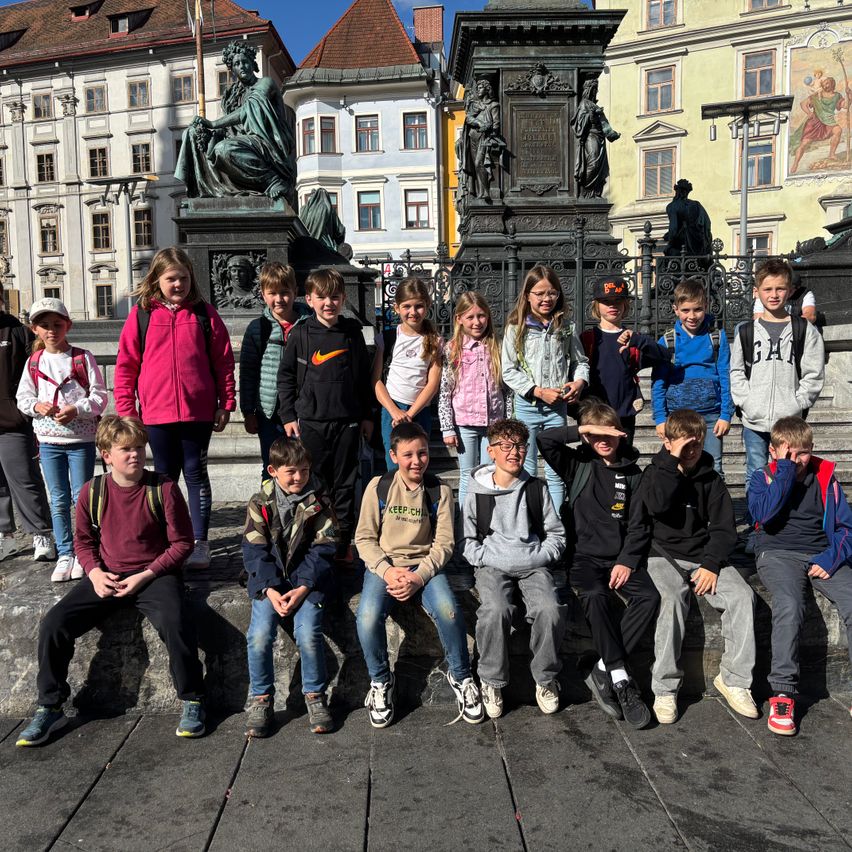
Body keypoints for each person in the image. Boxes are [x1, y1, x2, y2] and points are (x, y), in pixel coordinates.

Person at [15, 416, 206, 746]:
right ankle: (50, 705)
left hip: (153, 576)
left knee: (175, 623)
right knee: (54, 624)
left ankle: (193, 699)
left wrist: (147, 575)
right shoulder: (94, 491)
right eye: (126, 449)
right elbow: (83, 541)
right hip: (107, 575)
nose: (135, 454)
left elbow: (183, 544)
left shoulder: (163, 488)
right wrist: (95, 573)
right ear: (106, 454)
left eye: (139, 448)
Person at [114, 247, 236, 569]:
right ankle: (167, 540)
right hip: (157, 414)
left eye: (183, 278)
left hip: (198, 412)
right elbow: (126, 365)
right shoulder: (141, 315)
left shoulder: (204, 314)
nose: (178, 284)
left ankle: (199, 542)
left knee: (196, 473)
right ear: (157, 279)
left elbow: (223, 361)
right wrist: (127, 409)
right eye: (171, 279)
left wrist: (226, 402)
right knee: (164, 477)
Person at [355, 422, 483, 728]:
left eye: (422, 453)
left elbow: (444, 544)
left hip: (425, 567)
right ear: (393, 455)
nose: (417, 461)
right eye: (408, 454)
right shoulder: (378, 487)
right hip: (385, 566)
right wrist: (387, 571)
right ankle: (381, 682)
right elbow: (364, 539)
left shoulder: (439, 490)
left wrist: (419, 576)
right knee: (367, 616)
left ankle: (461, 676)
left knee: (449, 612)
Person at [538, 401, 657, 729]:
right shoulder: (578, 464)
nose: (604, 440)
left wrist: (627, 561)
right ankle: (620, 679)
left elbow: (639, 525)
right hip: (584, 559)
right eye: (597, 434)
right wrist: (584, 429)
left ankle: (603, 667)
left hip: (619, 559)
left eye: (610, 433)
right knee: (593, 595)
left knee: (649, 597)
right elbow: (544, 440)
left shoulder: (633, 473)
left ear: (621, 433)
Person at [635, 409, 757, 725]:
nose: (692, 452)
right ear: (670, 442)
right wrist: (671, 463)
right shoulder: (654, 473)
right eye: (685, 445)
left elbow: (724, 528)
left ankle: (734, 680)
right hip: (663, 555)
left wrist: (711, 564)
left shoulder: (711, 479)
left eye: (697, 445)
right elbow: (657, 506)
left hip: (703, 556)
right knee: (671, 600)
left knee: (742, 596)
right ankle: (664, 688)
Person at [748, 416, 852, 735]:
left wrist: (831, 557)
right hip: (777, 552)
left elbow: (846, 528)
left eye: (804, 452)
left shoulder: (826, 479)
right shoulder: (761, 477)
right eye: (789, 452)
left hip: (820, 553)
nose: (798, 459)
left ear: (812, 450)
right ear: (774, 451)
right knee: (789, 606)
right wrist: (783, 473)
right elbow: (764, 515)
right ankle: (783, 694)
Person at [462, 418, 566, 718]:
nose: (514, 453)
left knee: (550, 608)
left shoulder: (536, 488)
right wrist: (484, 557)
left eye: (520, 446)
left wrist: (541, 556)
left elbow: (556, 535)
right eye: (505, 446)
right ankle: (492, 680)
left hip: (533, 563)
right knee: (495, 610)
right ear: (491, 451)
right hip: (492, 564)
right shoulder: (477, 490)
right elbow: (467, 539)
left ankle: (545, 678)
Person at [241, 437, 338, 737]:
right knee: (259, 636)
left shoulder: (320, 502)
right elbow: (254, 551)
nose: (299, 477)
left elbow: (324, 547)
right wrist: (270, 589)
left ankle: (315, 695)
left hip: (308, 583)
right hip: (268, 583)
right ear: (273, 470)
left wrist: (305, 586)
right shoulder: (260, 504)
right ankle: (261, 698)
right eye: (291, 472)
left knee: (308, 633)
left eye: (305, 471)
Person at [277, 268, 373, 564]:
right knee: (314, 484)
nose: (328, 303)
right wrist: (288, 415)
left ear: (343, 299)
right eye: (321, 297)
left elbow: (363, 380)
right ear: (309, 299)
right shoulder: (301, 334)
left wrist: (367, 416)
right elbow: (286, 377)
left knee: (345, 484)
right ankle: (314, 540)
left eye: (334, 297)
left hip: (347, 423)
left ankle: (343, 541)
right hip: (311, 423)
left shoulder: (352, 334)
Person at [16, 298, 107, 582]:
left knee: (81, 497)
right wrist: (37, 407)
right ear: (35, 330)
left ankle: (84, 552)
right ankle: (65, 551)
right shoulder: (34, 362)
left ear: (68, 325)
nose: (51, 330)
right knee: (57, 499)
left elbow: (100, 396)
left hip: (80, 440)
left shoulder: (82, 357)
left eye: (57, 324)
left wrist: (76, 409)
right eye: (45, 326)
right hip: (48, 441)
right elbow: (23, 398)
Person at [730, 259, 825, 505]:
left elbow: (814, 373)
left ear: (791, 291)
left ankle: (785, 522)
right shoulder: (745, 331)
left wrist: (798, 402)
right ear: (757, 291)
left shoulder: (804, 329)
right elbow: (737, 371)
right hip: (755, 417)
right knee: (756, 471)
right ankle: (757, 523)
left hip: (789, 417)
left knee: (790, 469)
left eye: (780, 289)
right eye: (768, 289)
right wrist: (746, 401)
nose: (774, 295)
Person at [502, 265, 589, 507]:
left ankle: (557, 521)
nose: (546, 299)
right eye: (539, 293)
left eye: (552, 293)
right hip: (528, 406)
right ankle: (529, 517)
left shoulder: (566, 327)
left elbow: (580, 362)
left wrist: (579, 382)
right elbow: (509, 370)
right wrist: (538, 391)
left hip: (557, 408)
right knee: (525, 464)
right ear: (527, 295)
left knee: (555, 467)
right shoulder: (516, 328)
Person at [652, 278, 733, 476]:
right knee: (679, 466)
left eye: (697, 309)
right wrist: (660, 418)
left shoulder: (717, 337)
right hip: (677, 416)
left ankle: (712, 507)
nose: (692, 316)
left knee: (714, 467)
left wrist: (726, 414)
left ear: (705, 306)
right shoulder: (667, 341)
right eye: (686, 310)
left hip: (711, 415)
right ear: (676, 309)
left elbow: (725, 376)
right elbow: (658, 382)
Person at [239, 263, 309, 480]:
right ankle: (269, 511)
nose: (279, 299)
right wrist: (248, 410)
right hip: (269, 410)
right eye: (272, 293)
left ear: (295, 292)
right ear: (263, 294)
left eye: (285, 293)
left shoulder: (309, 325)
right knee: (271, 464)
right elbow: (248, 372)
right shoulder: (257, 328)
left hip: (302, 409)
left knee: (303, 462)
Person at [580, 276, 669, 444]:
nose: (612, 305)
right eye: (606, 301)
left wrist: (638, 341)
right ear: (596, 305)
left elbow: (664, 356)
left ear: (625, 304)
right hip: (594, 415)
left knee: (624, 461)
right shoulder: (587, 339)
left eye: (618, 301)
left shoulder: (633, 338)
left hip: (624, 414)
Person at [0, 288, 54, 563]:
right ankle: (5, 537)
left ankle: (41, 533)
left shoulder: (18, 332)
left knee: (24, 480)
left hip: (12, 421)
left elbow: (37, 373)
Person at [438, 291, 505, 509]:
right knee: (467, 473)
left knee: (489, 470)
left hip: (493, 422)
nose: (477, 322)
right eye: (470, 317)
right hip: (465, 422)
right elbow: (445, 390)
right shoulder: (453, 349)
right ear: (459, 319)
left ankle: (485, 517)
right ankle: (465, 520)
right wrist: (447, 427)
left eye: (481, 316)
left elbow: (506, 389)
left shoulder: (496, 346)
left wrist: (508, 420)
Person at [373, 277, 443, 473]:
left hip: (419, 411)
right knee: (394, 465)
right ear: (397, 308)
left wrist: (410, 414)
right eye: (407, 306)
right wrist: (395, 411)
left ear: (427, 305)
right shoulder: (387, 338)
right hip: (392, 410)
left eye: (419, 306)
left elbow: (432, 383)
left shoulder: (435, 341)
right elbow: (376, 381)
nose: (413, 312)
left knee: (418, 466)